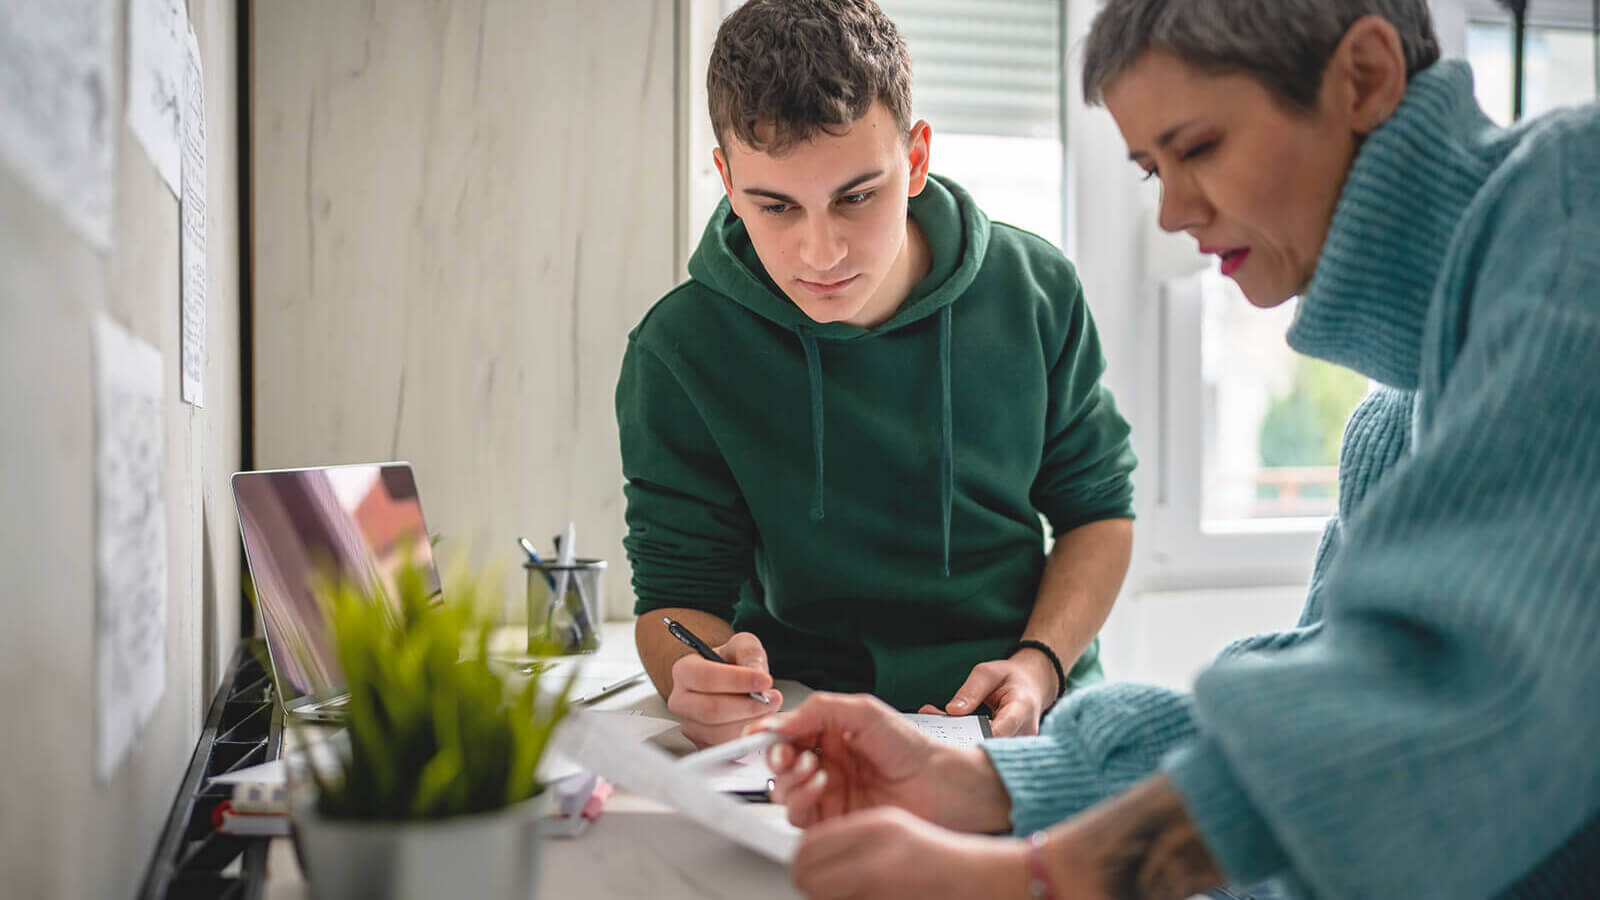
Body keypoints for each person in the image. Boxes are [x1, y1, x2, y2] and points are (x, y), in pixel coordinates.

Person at [758, 1, 1600, 897]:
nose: (1171, 216)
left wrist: (1041, 877)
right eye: (1150, 168)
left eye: (1197, 149)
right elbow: (1313, 713)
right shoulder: (1393, 420)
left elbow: (1428, 711)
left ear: (1363, 78)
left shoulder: (1571, 212)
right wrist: (984, 782)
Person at [616, 0, 1138, 746]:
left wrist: (1040, 664)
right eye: (776, 207)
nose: (820, 252)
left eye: (856, 197)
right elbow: (675, 599)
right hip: (804, 725)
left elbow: (1098, 512)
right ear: (727, 182)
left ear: (917, 158)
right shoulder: (679, 350)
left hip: (1025, 715)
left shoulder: (1036, 290)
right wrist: (692, 678)